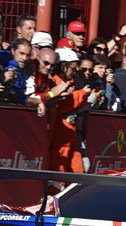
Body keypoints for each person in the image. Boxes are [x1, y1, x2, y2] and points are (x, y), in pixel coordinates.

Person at [47, 47, 93, 180]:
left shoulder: (70, 82)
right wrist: (82, 94)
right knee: (58, 175)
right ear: (63, 66)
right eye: (72, 68)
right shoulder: (54, 82)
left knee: (78, 173)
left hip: (70, 135)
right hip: (59, 138)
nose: (74, 72)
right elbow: (60, 105)